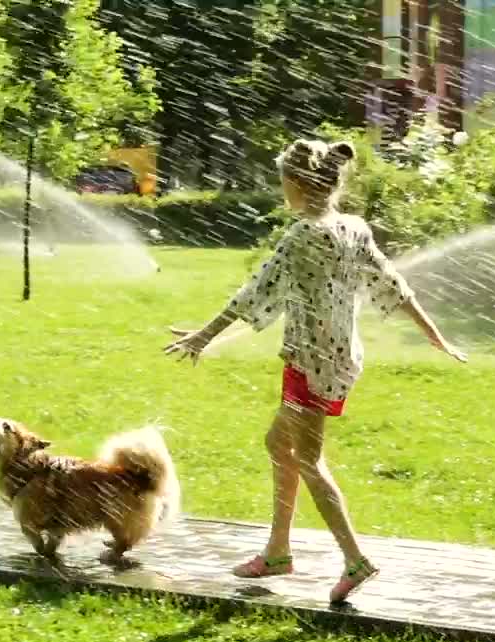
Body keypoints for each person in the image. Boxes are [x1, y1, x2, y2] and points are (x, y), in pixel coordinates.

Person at [163, 138, 467, 603]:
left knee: (308, 461)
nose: (282, 188)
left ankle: (354, 559)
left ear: (299, 183)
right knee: (277, 443)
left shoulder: (302, 235)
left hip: (308, 363)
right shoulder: (353, 229)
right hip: (342, 359)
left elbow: (253, 292)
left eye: (284, 180)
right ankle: (278, 551)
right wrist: (434, 335)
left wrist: (203, 336)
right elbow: (393, 284)